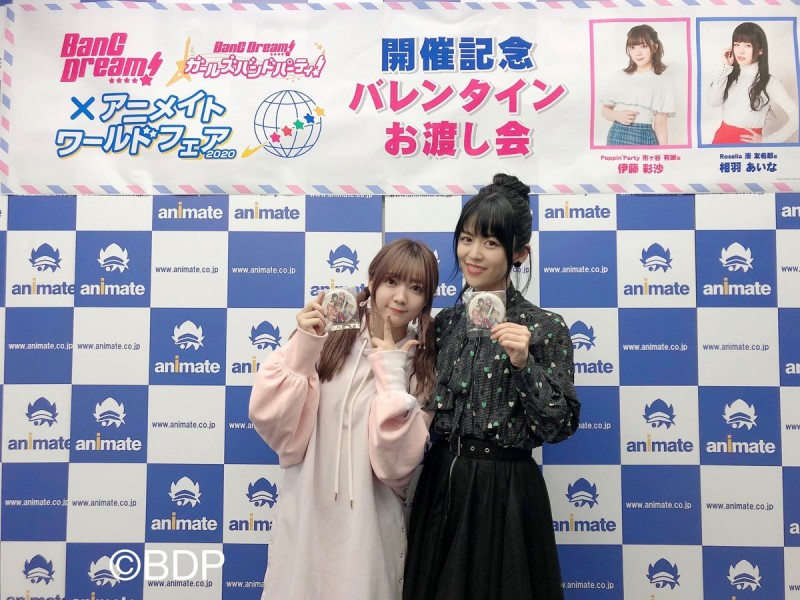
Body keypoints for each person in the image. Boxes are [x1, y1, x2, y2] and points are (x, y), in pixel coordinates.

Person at [403, 174, 581, 600]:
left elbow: (560, 425)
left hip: (507, 494)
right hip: (441, 483)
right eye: (467, 239)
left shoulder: (544, 326)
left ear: (519, 253)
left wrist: (524, 363)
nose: (474, 254)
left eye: (491, 242)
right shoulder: (443, 323)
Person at [249, 238, 439, 600]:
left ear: (426, 300)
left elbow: (396, 466)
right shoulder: (330, 334)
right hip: (306, 516)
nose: (400, 297)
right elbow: (273, 422)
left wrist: (391, 371)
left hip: (370, 530)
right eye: (391, 282)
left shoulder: (423, 365)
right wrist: (305, 344)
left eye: (416, 288)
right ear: (372, 281)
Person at [708, 21, 799, 144]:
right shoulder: (729, 75)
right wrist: (726, 67)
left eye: (748, 46)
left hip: (747, 145)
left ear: (760, 50)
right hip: (720, 140)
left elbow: (797, 116)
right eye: (737, 44)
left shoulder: (771, 82)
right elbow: (713, 101)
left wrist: (768, 141)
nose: (740, 51)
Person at [600, 24, 676, 146]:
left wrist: (663, 152)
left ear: (655, 47)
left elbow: (661, 125)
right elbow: (605, 110)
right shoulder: (620, 75)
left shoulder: (663, 80)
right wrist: (617, 115)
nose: (637, 52)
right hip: (617, 135)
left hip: (645, 136)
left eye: (643, 46)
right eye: (632, 47)